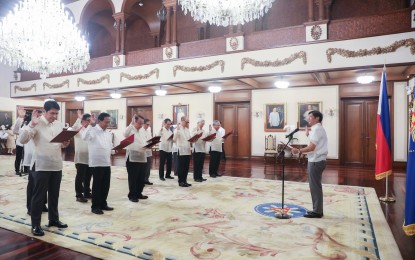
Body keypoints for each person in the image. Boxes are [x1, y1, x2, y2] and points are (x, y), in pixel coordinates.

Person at [19, 100, 69, 236]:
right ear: (45, 111)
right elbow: (22, 140)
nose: (54, 116)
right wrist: (31, 124)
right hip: (40, 165)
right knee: (38, 197)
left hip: (56, 164)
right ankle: (35, 225)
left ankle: (53, 219)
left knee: (54, 195)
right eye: (52, 113)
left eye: (56, 113)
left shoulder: (58, 124)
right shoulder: (36, 122)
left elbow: (59, 144)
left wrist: (64, 143)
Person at [292, 110, 328, 218]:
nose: (308, 119)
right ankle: (317, 210)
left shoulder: (317, 129)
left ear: (317, 118)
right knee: (315, 186)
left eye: (311, 117)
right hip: (317, 160)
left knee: (315, 186)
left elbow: (312, 147)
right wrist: (308, 134)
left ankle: (317, 212)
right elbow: (314, 144)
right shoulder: (317, 129)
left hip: (316, 161)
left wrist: (298, 151)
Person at [82, 112, 114, 215]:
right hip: (96, 163)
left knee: (106, 185)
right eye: (106, 122)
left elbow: (110, 146)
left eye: (109, 122)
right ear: (99, 121)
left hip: (106, 162)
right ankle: (95, 206)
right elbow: (84, 137)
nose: (108, 123)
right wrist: (91, 126)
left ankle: (103, 203)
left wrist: (114, 151)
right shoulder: (93, 130)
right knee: (97, 186)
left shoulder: (108, 133)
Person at [124, 115, 148, 202]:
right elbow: (125, 134)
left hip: (142, 156)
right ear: (134, 121)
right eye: (139, 123)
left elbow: (144, 141)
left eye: (142, 123)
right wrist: (131, 124)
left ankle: (139, 193)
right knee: (133, 178)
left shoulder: (142, 131)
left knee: (141, 177)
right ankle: (132, 195)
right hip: (132, 158)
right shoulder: (130, 129)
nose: (141, 125)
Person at [72, 110, 92, 202]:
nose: (89, 122)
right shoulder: (79, 128)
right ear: (83, 121)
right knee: (80, 177)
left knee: (88, 176)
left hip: (90, 157)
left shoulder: (91, 129)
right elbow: (73, 128)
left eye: (90, 120)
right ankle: (79, 195)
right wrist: (79, 118)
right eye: (88, 120)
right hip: (80, 157)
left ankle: (87, 192)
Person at [173, 116, 192, 187]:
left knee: (186, 167)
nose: (187, 123)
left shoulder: (187, 129)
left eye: (188, 122)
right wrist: (177, 131)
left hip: (187, 150)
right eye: (187, 122)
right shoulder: (177, 129)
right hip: (181, 150)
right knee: (181, 167)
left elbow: (189, 138)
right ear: (182, 121)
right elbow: (174, 140)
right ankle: (180, 181)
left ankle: (185, 181)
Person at [140, 118, 153, 185]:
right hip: (142, 150)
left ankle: (146, 179)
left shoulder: (148, 129)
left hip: (148, 150)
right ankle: (141, 180)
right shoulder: (140, 130)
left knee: (148, 166)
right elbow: (141, 140)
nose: (148, 126)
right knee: (143, 167)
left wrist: (152, 142)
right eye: (147, 124)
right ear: (143, 123)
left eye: (149, 124)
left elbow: (150, 138)